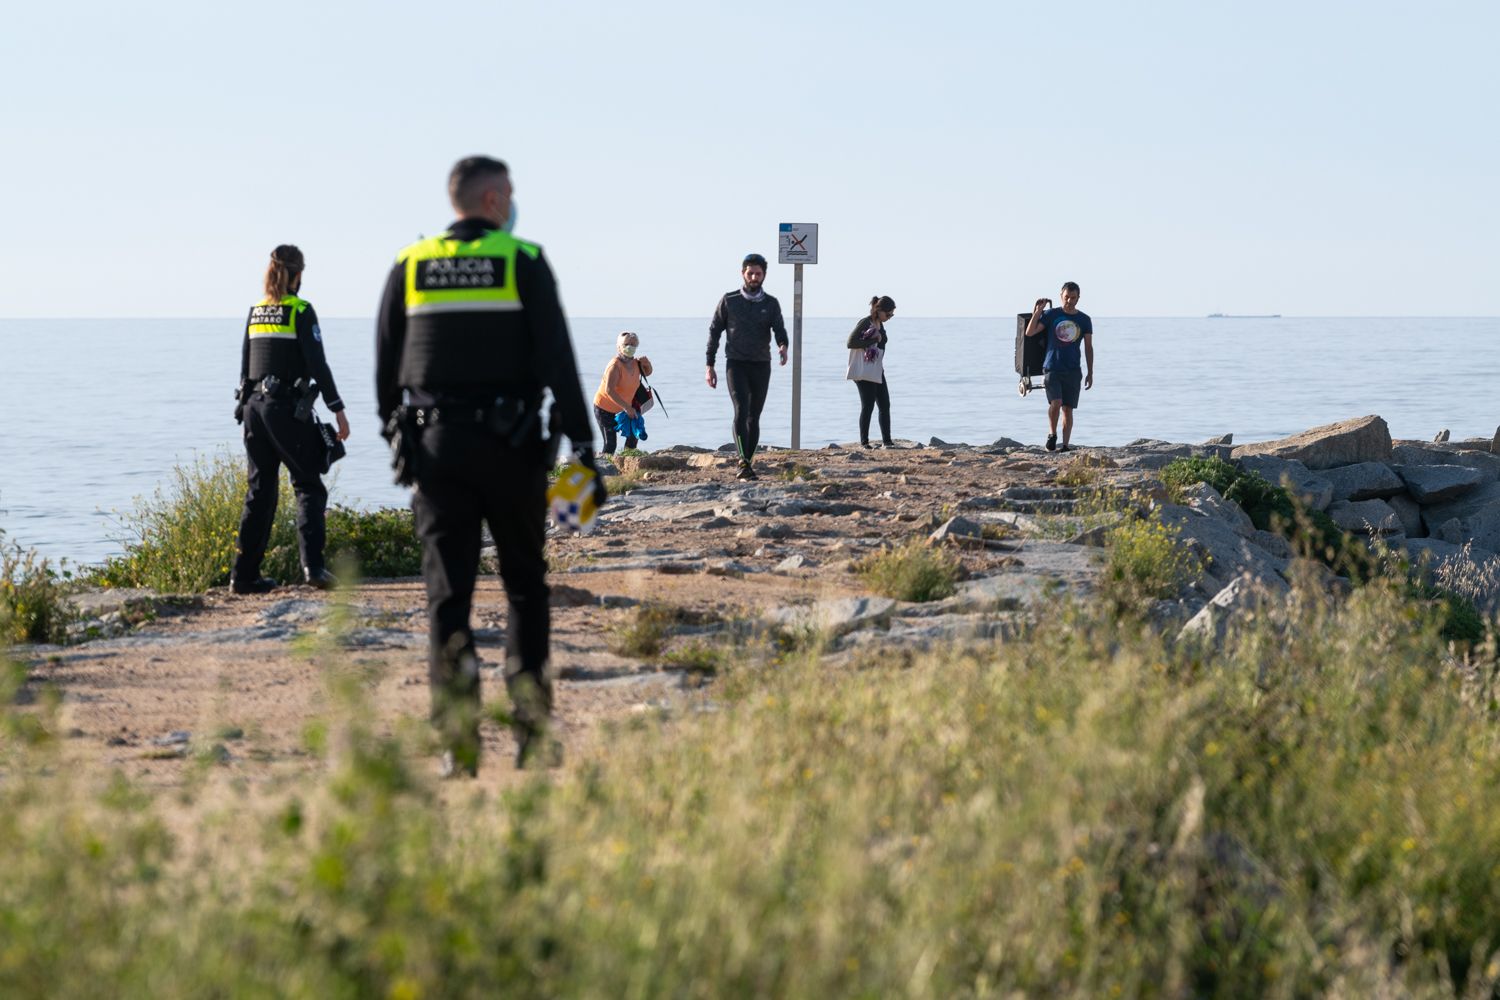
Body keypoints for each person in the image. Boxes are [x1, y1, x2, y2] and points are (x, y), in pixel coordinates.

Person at [375, 155, 602, 775]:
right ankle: (530, 735)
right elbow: (559, 358)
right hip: (515, 450)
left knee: (447, 597)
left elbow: (385, 362)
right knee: (526, 587)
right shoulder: (523, 260)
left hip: (436, 451)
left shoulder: (410, 264)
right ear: (496, 199)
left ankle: (458, 743)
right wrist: (583, 448)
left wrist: (395, 435)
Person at [230, 245, 351, 595]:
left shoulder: (256, 310)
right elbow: (317, 364)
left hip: (253, 408)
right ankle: (313, 568)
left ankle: (243, 576)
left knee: (260, 490)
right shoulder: (301, 309)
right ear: (298, 274)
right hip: (285, 410)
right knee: (308, 484)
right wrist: (337, 407)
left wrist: (242, 410)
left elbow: (244, 365)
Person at [705, 253, 788, 480]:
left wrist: (783, 346)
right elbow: (714, 331)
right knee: (741, 411)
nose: (753, 277)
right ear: (743, 273)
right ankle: (742, 461)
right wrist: (709, 364)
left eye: (758, 274)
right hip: (736, 364)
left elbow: (779, 329)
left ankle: (748, 462)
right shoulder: (729, 300)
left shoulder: (770, 303)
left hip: (761, 364)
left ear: (764, 276)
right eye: (750, 273)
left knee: (754, 416)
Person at [1024, 281, 1094, 451]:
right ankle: (1052, 434)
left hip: (1073, 369)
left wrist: (1090, 372)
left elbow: (1088, 347)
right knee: (1055, 402)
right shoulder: (1051, 315)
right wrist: (1039, 311)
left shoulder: (1084, 320)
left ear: (1078, 298)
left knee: (1068, 409)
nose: (1069, 301)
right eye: (1066, 297)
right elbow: (1030, 332)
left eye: (1073, 297)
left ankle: (1065, 445)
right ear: (1061, 296)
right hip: (1052, 367)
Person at [845, 295, 897, 448]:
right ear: (879, 310)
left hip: (876, 369)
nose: (889, 317)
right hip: (863, 370)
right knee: (868, 405)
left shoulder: (880, 323)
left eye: (892, 315)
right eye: (888, 314)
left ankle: (887, 441)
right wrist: (874, 340)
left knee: (885, 404)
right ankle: (864, 442)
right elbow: (851, 342)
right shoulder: (865, 322)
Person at [593, 331, 653, 456]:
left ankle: (627, 463)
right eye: (626, 344)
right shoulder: (615, 366)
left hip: (624, 409)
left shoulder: (636, 363)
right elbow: (609, 390)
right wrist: (627, 408)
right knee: (610, 444)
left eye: (633, 344)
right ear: (619, 346)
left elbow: (647, 373)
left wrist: (647, 364)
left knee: (633, 437)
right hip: (605, 409)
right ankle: (605, 469)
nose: (630, 347)